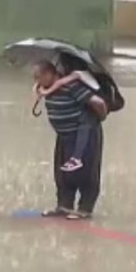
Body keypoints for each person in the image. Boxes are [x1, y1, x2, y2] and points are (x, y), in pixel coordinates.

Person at [32, 60, 108, 220]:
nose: (37, 81)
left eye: (39, 77)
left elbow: (98, 102)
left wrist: (101, 116)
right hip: (64, 135)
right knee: (62, 173)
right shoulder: (45, 89)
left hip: (83, 134)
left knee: (85, 172)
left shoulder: (72, 86)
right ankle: (64, 206)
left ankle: (85, 209)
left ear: (49, 74)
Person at [35, 70, 93, 172]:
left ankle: (76, 158)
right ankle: (75, 159)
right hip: (64, 134)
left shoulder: (76, 76)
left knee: (85, 123)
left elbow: (60, 82)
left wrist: (46, 91)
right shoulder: (65, 77)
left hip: (82, 120)